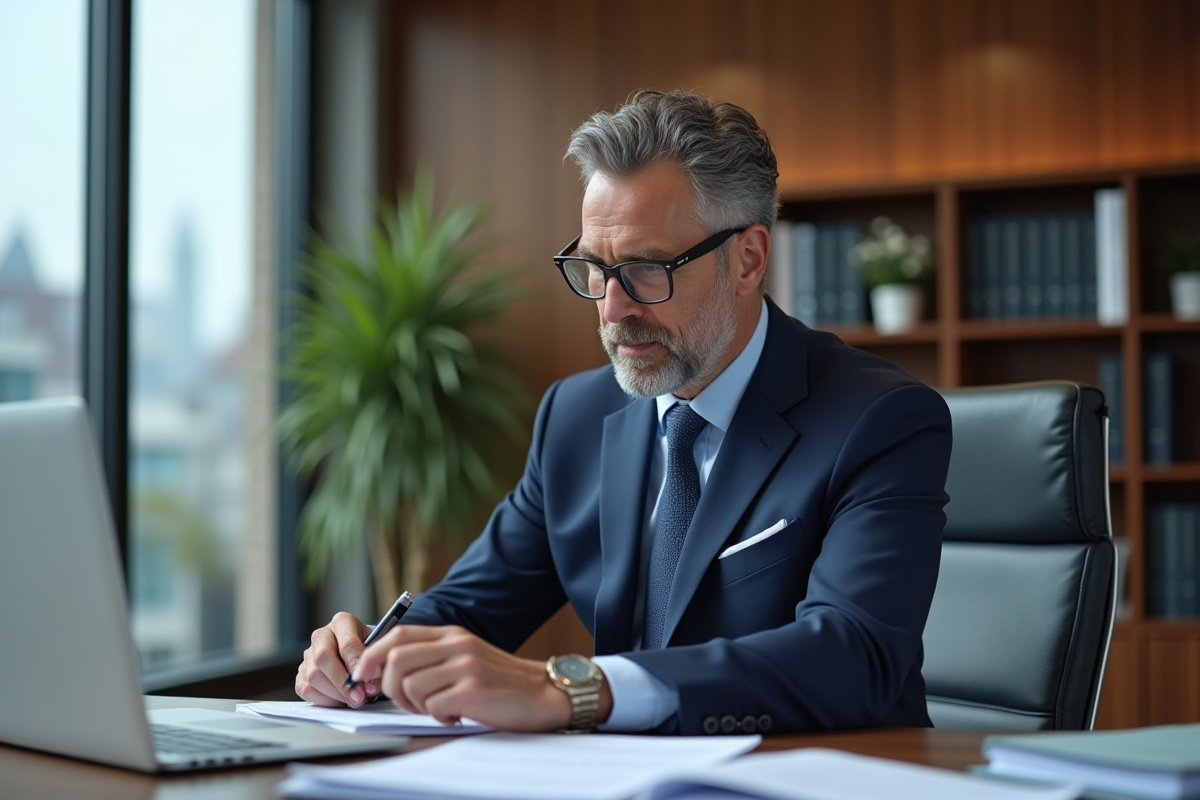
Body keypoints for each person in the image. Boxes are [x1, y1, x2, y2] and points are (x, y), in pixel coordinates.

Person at [296, 89, 952, 735]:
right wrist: (368, 659)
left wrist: (577, 689)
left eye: (647, 268)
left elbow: (852, 656)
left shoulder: (880, 420)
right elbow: (468, 609)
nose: (613, 309)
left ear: (748, 260)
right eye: (595, 267)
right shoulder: (575, 417)